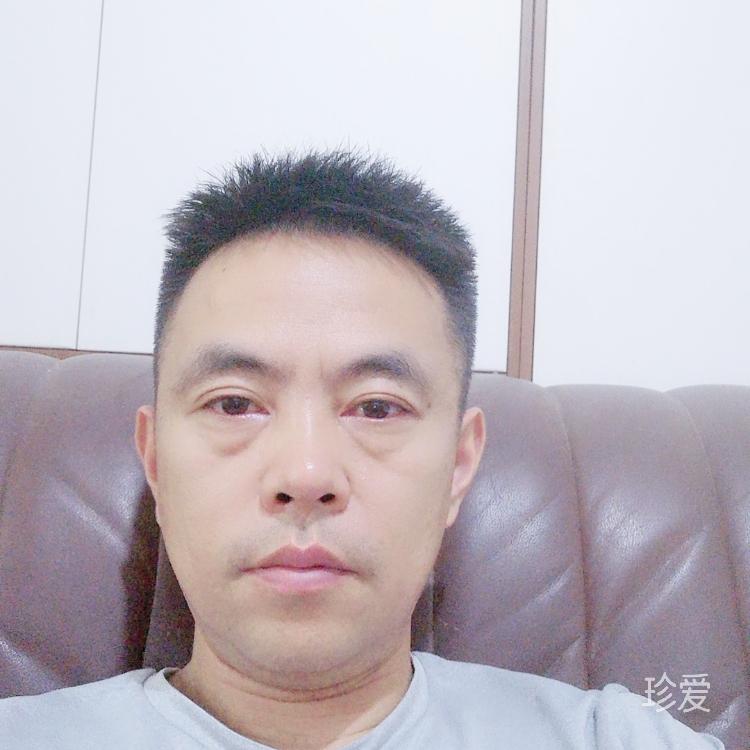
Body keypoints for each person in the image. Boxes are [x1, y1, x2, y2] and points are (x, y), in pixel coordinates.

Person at [0, 150, 724, 749]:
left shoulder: (615, 737)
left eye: (377, 407)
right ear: (155, 460)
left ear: (460, 466)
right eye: (235, 404)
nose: (305, 473)